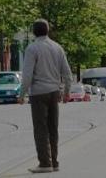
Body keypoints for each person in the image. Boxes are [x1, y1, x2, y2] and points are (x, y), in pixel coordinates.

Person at [20, 19, 72, 174]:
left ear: (34, 32)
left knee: (41, 129)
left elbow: (28, 75)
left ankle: (44, 163)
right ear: (48, 31)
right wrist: (67, 92)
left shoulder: (32, 48)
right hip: (54, 92)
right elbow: (67, 74)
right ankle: (54, 161)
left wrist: (21, 94)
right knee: (53, 128)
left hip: (38, 93)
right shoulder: (58, 48)